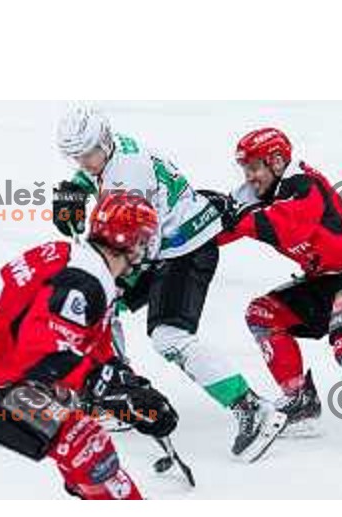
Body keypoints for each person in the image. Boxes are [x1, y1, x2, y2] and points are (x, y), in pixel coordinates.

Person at [53, 106, 286, 460]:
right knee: (103, 304)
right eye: (75, 157)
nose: (83, 162)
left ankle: (253, 407)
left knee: (168, 336)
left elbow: (132, 242)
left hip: (184, 251)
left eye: (87, 155)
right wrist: (75, 187)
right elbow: (101, 181)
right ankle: (114, 393)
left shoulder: (126, 177)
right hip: (167, 243)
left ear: (102, 141)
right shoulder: (116, 150)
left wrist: (98, 276)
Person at [0, 193, 178, 499]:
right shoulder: (86, 281)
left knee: (79, 436)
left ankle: (91, 487)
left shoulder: (78, 259)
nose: (145, 249)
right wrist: (106, 387)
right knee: (86, 445)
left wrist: (127, 385)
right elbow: (44, 354)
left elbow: (88, 340)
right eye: (144, 240)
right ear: (131, 241)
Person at [211, 127, 342, 459]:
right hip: (325, 276)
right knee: (262, 313)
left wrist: (235, 218)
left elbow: (285, 225)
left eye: (254, 167)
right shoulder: (255, 192)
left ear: (277, 161)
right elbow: (221, 227)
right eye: (245, 170)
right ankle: (300, 401)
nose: (249, 177)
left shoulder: (303, 185)